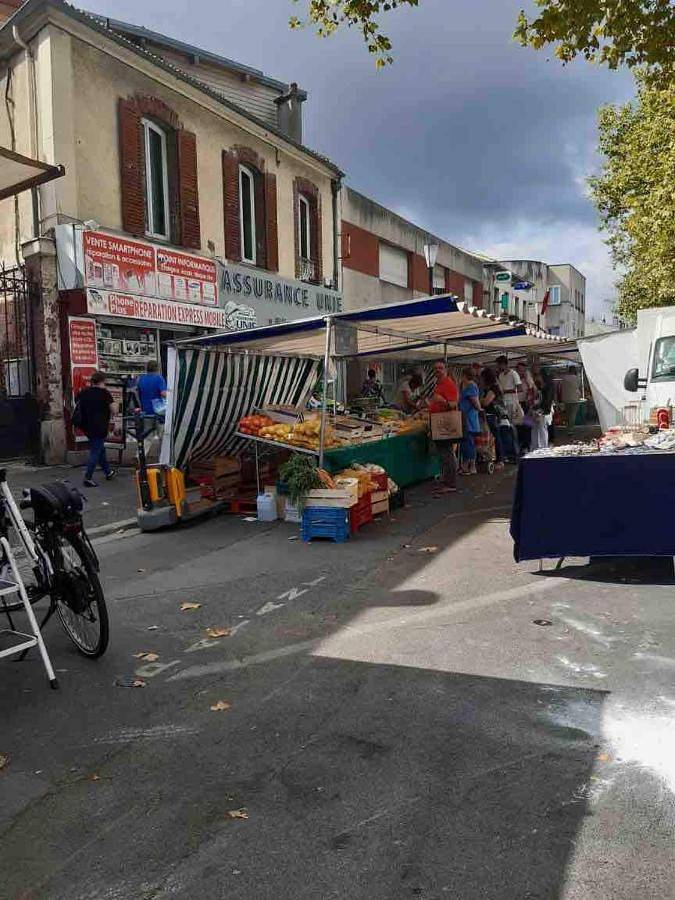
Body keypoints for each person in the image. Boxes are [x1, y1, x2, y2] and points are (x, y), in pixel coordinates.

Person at [75, 371, 116, 488]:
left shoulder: (84, 392)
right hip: (100, 426)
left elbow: (76, 402)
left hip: (86, 426)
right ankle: (88, 477)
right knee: (95, 452)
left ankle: (108, 472)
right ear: (103, 381)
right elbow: (114, 410)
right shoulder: (105, 393)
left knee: (100, 449)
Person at [425, 360, 459, 493]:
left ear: (446, 369)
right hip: (438, 421)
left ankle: (450, 483)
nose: (437, 370)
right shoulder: (438, 384)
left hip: (444, 422)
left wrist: (442, 401)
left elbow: (453, 404)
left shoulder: (448, 384)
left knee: (447, 453)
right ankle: (446, 481)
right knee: (443, 453)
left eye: (440, 368)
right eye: (435, 368)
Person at [136, 360, 167, 455]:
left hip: (146, 411)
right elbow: (163, 393)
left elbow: (137, 393)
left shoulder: (141, 379)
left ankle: (139, 456)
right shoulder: (159, 378)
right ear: (157, 368)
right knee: (163, 436)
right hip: (159, 412)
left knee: (147, 436)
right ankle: (163, 457)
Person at [480, 367, 509, 467]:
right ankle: (500, 458)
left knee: (496, 437)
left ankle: (500, 460)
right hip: (495, 415)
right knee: (497, 437)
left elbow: (486, 402)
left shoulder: (493, 389)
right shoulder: (495, 387)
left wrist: (480, 400)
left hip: (493, 415)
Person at [496, 355, 522, 455]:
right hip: (503, 403)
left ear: (504, 364)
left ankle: (515, 451)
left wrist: (505, 391)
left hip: (512, 403)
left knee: (512, 427)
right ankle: (508, 451)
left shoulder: (513, 373)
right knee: (505, 427)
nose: (498, 367)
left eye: (499, 365)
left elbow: (519, 388)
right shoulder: (501, 375)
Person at [458, 367, 481, 475]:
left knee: (468, 442)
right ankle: (466, 465)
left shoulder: (471, 386)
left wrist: (479, 408)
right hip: (465, 417)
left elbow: (475, 403)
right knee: (465, 442)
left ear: (464, 375)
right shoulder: (465, 386)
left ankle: (471, 466)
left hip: (469, 418)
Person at [515, 361, 535, 454]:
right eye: (519, 370)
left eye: (523, 370)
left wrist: (528, 380)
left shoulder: (528, 380)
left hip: (527, 405)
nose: (521, 372)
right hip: (518, 404)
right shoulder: (514, 380)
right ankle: (521, 445)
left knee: (527, 426)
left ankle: (527, 446)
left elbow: (533, 391)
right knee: (519, 426)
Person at [560, 365, 581, 433]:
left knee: (568, 414)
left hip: (566, 398)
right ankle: (570, 429)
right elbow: (578, 386)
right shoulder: (577, 378)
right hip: (575, 398)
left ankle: (568, 427)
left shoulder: (564, 378)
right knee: (573, 414)